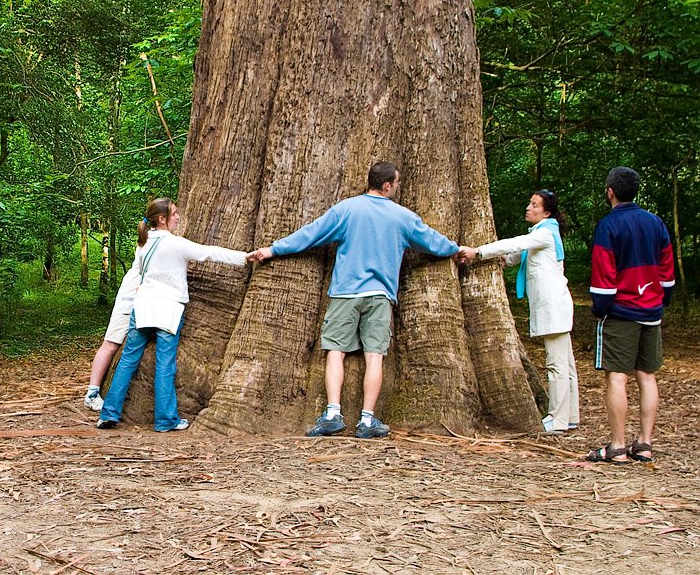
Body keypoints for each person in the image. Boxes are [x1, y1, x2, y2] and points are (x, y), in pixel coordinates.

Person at [248, 161, 460, 439]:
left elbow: (311, 233)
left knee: (336, 350)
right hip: (380, 296)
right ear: (387, 185)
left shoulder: (346, 209)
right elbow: (431, 240)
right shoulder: (402, 217)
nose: (397, 187)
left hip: (345, 293)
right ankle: (367, 420)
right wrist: (457, 250)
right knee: (375, 356)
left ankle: (333, 414)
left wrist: (274, 249)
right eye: (396, 183)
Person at [97, 198, 249, 432]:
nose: (178, 217)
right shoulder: (176, 244)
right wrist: (245, 257)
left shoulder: (143, 244)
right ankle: (165, 420)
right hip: (168, 310)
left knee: (128, 361)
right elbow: (209, 253)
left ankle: (108, 413)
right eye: (175, 213)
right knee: (165, 364)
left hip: (143, 307)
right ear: (162, 219)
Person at [457, 189, 578, 433]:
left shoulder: (544, 233)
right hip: (557, 307)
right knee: (565, 365)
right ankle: (570, 415)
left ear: (546, 212)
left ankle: (558, 419)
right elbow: (520, 254)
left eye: (534, 205)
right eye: (529, 203)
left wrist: (478, 251)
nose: (528, 208)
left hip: (554, 308)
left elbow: (518, 243)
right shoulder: (543, 233)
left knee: (557, 365)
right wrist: (502, 260)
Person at [585, 167, 675, 464]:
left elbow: (603, 275)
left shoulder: (608, 226)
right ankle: (645, 443)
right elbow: (666, 270)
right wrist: (662, 300)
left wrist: (600, 308)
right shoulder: (655, 223)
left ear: (610, 191)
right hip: (651, 310)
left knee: (618, 377)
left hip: (621, 312)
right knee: (647, 376)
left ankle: (618, 446)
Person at [83, 267, 139, 411]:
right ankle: (92, 393)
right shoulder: (147, 246)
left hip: (145, 298)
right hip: (130, 298)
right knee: (111, 344)